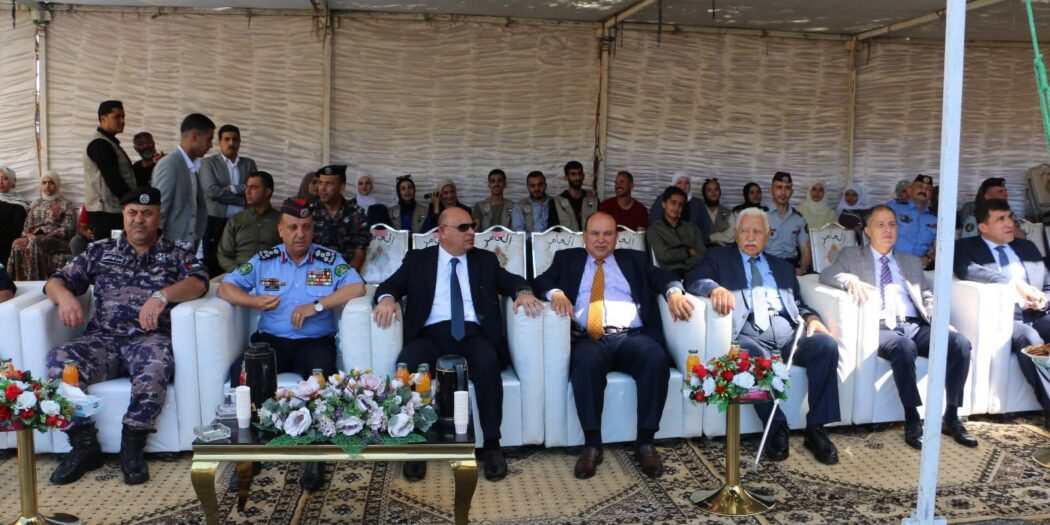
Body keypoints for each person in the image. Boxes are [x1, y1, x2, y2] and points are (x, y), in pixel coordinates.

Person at [44, 187, 209, 486]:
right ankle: (83, 444)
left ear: (159, 217)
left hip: (150, 339)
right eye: (132, 213)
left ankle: (132, 444)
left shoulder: (176, 252)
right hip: (103, 339)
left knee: (156, 365)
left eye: (147, 213)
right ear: (123, 215)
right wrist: (65, 297)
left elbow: (199, 282)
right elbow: (56, 281)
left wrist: (162, 295)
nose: (139, 219)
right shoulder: (100, 250)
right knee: (59, 362)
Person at [373, 207, 542, 482]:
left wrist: (522, 292)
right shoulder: (418, 260)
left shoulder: (484, 260)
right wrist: (388, 299)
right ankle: (415, 443)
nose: (471, 232)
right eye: (463, 227)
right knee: (409, 365)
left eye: (472, 226)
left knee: (488, 364)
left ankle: (492, 445)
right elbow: (389, 285)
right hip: (429, 334)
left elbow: (510, 280)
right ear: (442, 232)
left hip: (473, 334)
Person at [220, 197, 365, 491]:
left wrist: (318, 305)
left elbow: (357, 286)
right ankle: (249, 453)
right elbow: (225, 287)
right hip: (271, 341)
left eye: (307, 227)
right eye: (293, 227)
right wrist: (253, 301)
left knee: (321, 375)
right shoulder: (264, 261)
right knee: (243, 372)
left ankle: (316, 454)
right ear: (280, 230)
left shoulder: (328, 259)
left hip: (314, 341)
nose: (301, 234)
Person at [533, 211, 693, 479]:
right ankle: (592, 445)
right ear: (584, 237)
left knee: (655, 357)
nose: (601, 240)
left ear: (617, 237)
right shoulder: (567, 259)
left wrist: (674, 292)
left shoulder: (635, 259)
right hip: (588, 338)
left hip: (631, 336)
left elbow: (662, 276)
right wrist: (556, 293)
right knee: (586, 362)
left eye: (607, 234)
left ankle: (645, 442)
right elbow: (540, 281)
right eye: (595, 234)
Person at [686, 207, 842, 465]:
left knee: (826, 345)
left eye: (757, 232)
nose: (750, 237)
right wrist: (714, 289)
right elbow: (692, 278)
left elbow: (797, 303)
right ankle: (776, 427)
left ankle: (816, 429)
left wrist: (812, 318)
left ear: (768, 235)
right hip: (748, 332)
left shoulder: (782, 267)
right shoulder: (718, 258)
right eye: (745, 231)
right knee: (752, 355)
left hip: (787, 331)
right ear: (736, 233)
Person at [822, 205, 977, 449]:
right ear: (868, 230)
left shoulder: (910, 261)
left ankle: (951, 415)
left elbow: (926, 296)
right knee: (903, 346)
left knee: (960, 343)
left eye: (892, 224)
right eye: (881, 225)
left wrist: (941, 323)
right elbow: (827, 274)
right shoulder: (852, 255)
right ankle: (912, 417)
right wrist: (849, 279)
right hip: (880, 328)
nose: (888, 230)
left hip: (915, 325)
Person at [955, 198, 1050, 428]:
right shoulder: (966, 247)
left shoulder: (1027, 247)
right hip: (1008, 319)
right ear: (983, 227)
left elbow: (1047, 283)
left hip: (1038, 314)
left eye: (1009, 217)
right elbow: (967, 271)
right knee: (1030, 339)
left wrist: (1044, 300)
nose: (1009, 223)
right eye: (1000, 219)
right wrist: (1013, 284)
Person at [198, 124, 258, 277]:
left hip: (242, 221)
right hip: (215, 219)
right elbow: (212, 191)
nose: (231, 143)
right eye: (227, 139)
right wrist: (242, 199)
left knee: (241, 258)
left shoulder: (249, 164)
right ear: (220, 142)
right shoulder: (207, 163)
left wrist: (231, 188)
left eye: (235, 139)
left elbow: (253, 189)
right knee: (213, 259)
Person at [152, 113, 216, 247]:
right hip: (169, 248)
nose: (210, 145)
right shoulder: (169, 165)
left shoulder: (190, 166)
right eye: (209, 139)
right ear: (194, 137)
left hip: (186, 248)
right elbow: (159, 211)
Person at [7, 171, 77, 281]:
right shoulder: (35, 204)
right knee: (17, 244)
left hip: (58, 242)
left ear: (57, 184)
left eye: (51, 182)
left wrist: (46, 232)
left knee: (36, 241)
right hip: (35, 239)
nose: (47, 186)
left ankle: (36, 281)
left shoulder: (66, 204)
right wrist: (28, 236)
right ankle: (17, 282)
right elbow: (26, 227)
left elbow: (69, 229)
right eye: (44, 183)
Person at [83, 100, 137, 242]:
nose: (122, 121)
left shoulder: (109, 142)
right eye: (117, 117)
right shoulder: (100, 143)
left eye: (123, 117)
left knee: (119, 250)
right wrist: (134, 202)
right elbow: (113, 180)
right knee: (110, 252)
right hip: (107, 213)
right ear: (103, 119)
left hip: (112, 209)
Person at [217, 171, 281, 273]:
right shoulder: (236, 220)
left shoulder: (282, 221)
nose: (247, 191)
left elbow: (290, 253)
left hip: (271, 275)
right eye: (247, 187)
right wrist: (240, 271)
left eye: (254, 187)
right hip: (238, 274)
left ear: (267, 192)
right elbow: (223, 255)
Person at [310, 164, 369, 272]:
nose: (322, 188)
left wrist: (345, 276)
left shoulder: (356, 213)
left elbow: (359, 253)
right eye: (320, 183)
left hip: (345, 273)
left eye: (328, 183)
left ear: (341, 188)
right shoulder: (310, 212)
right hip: (314, 273)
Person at [648, 186, 705, 279]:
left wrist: (685, 263)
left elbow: (702, 254)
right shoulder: (654, 229)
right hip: (669, 274)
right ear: (664, 204)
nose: (676, 207)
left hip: (694, 272)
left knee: (709, 285)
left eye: (680, 205)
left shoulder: (692, 228)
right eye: (673, 203)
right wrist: (688, 252)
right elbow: (664, 255)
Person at [765, 172, 812, 274]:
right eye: (779, 187)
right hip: (767, 265)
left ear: (792, 192)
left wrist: (802, 270)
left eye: (787, 188)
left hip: (791, 266)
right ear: (771, 190)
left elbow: (806, 250)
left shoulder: (799, 218)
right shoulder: (760, 216)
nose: (783, 192)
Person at [888, 175, 937, 268]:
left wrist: (928, 258)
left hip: (919, 267)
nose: (923, 190)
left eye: (928, 189)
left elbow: (941, 250)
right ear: (910, 190)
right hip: (892, 264)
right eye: (919, 187)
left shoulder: (935, 219)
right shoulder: (894, 208)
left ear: (931, 195)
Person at [958, 178, 1026, 240]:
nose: (1006, 194)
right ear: (988, 196)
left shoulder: (1008, 215)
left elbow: (1022, 238)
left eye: (1005, 191)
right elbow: (968, 242)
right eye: (1000, 192)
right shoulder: (973, 217)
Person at [511, 171, 579, 232]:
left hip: (554, 241)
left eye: (540, 184)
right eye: (532, 185)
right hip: (530, 242)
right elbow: (519, 233)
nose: (536, 188)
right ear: (528, 187)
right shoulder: (519, 206)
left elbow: (569, 229)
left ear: (545, 185)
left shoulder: (557, 203)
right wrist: (537, 239)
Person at [0, 166, 29, 267]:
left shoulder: (19, 203)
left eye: (5, 178)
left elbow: (15, 229)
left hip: (6, 241)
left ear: (12, 181)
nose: (1, 182)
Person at [559, 160, 599, 229]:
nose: (577, 178)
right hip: (567, 236)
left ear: (583, 176)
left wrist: (590, 200)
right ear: (566, 177)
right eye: (573, 174)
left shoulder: (591, 199)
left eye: (580, 173)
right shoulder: (558, 201)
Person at [701, 178, 735, 246]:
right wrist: (721, 235)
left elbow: (732, 235)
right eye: (709, 190)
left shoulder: (728, 213)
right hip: (701, 250)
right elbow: (695, 235)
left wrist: (709, 237)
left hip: (723, 250)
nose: (713, 192)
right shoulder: (698, 211)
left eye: (716, 189)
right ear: (704, 193)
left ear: (720, 192)